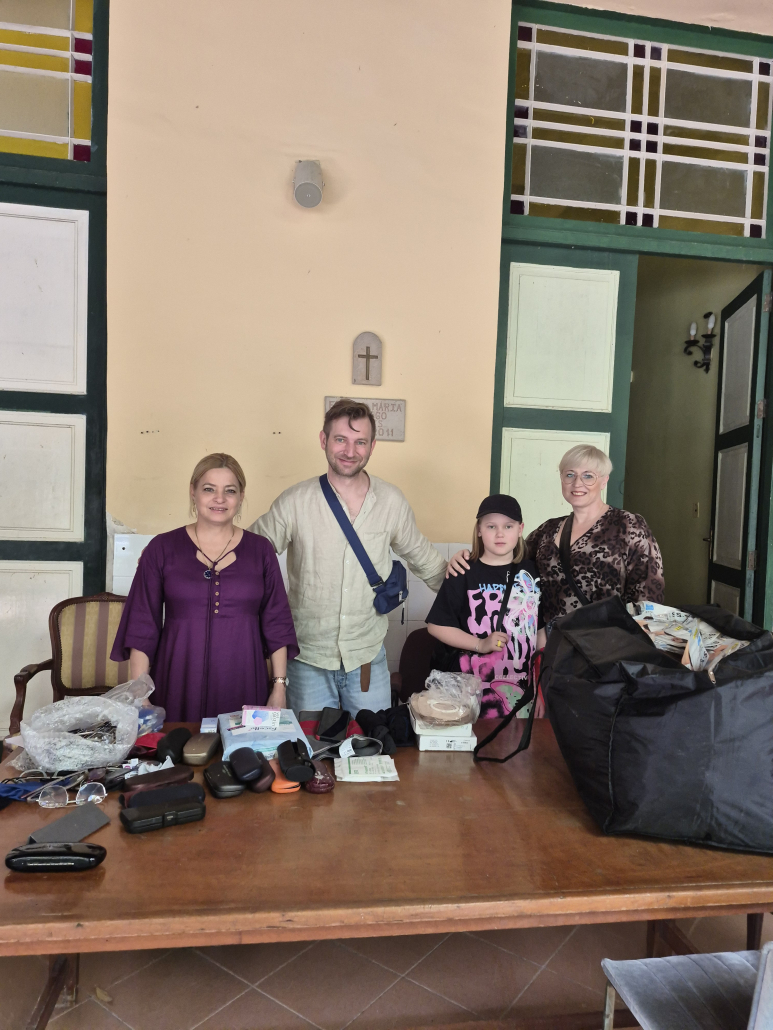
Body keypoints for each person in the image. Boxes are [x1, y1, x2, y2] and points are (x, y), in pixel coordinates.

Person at [250, 398, 447, 715]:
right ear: (323, 440)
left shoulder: (391, 501)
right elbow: (250, 553)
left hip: (366, 658)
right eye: (341, 439)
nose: (350, 451)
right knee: (311, 743)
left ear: (372, 446)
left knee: (373, 741)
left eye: (360, 442)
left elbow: (426, 560)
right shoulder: (295, 502)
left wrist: (472, 594)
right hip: (307, 660)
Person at [111, 453, 298, 721]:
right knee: (177, 747)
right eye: (209, 489)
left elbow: (277, 623)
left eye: (229, 491)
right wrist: (141, 695)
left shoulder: (261, 551)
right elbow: (142, 625)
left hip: (244, 679)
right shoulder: (162, 549)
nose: (219, 499)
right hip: (177, 680)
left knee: (243, 747)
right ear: (193, 492)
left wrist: (279, 687)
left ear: (241, 496)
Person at [448, 445, 664, 628]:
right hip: (552, 649)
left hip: (605, 650)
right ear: (561, 478)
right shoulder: (548, 530)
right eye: (570, 475)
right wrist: (468, 558)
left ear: (604, 481)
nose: (577, 483)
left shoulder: (628, 525)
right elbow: (505, 561)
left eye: (588, 476)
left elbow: (649, 596)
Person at [426, 494, 546, 718]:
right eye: (491, 526)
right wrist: (480, 644)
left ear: (520, 529)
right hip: (469, 694)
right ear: (479, 530)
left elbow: (539, 632)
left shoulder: (532, 572)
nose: (500, 533)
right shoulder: (463, 571)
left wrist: (540, 688)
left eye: (508, 526)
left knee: (520, 741)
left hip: (522, 693)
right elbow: (436, 625)